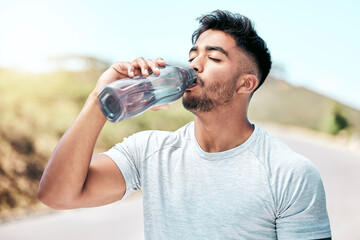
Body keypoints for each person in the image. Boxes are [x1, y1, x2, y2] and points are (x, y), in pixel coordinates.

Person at [38, 10, 332, 239]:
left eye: (213, 57)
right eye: (193, 55)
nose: (194, 64)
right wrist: (98, 99)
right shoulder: (150, 150)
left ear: (246, 83)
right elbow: (57, 194)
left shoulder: (289, 173)